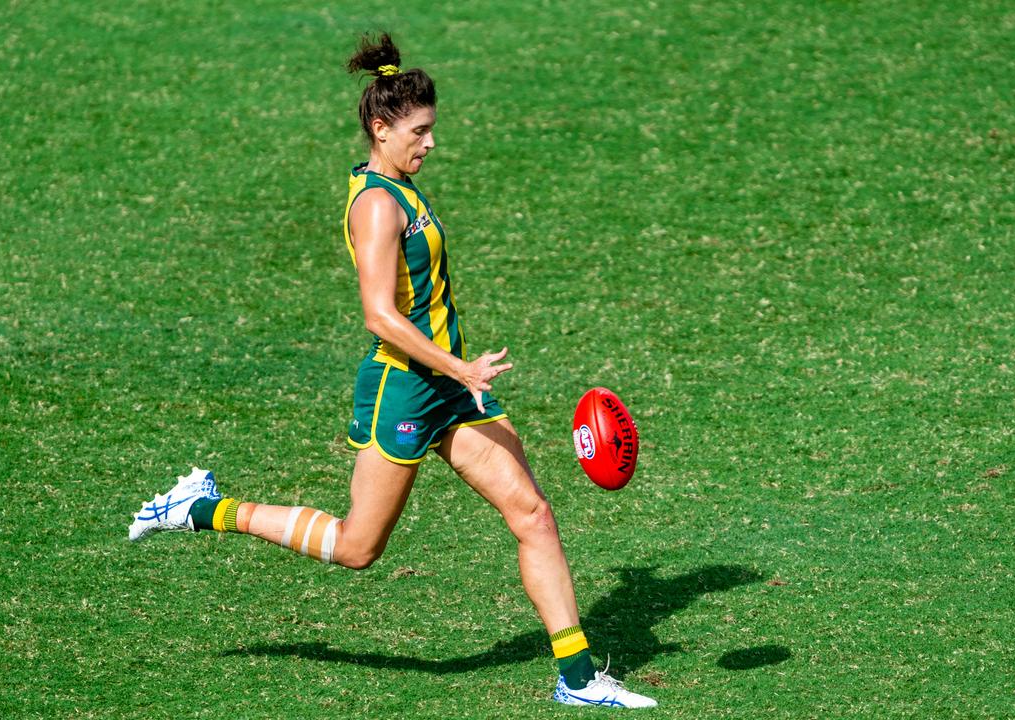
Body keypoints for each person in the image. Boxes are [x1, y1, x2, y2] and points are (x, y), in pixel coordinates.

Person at [127, 32, 656, 709]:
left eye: (433, 129)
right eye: (421, 130)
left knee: (533, 514)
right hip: (405, 387)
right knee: (357, 547)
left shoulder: (402, 187)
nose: (431, 142)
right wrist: (459, 367)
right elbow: (379, 315)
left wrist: (457, 374)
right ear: (382, 128)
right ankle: (201, 508)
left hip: (448, 386)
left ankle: (578, 678)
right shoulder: (378, 204)